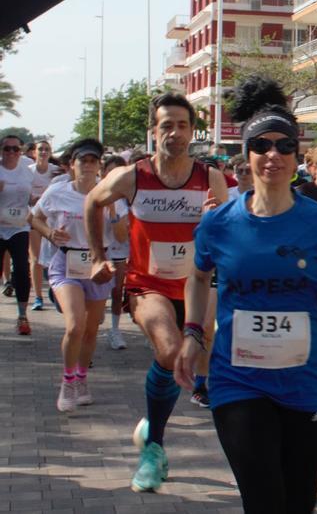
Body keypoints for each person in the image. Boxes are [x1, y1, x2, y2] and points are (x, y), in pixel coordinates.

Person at [175, 77, 317, 514]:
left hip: (305, 380)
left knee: (298, 504)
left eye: (285, 146)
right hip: (237, 379)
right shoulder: (219, 223)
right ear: (245, 156)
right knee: (264, 501)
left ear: (297, 156)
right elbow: (198, 276)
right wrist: (192, 333)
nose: (273, 155)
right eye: (261, 145)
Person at [84, 92, 229, 493]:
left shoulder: (209, 177)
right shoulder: (132, 176)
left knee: (197, 355)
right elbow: (93, 203)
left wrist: (214, 221)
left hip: (196, 284)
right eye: (166, 125)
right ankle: (153, 449)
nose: (175, 133)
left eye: (182, 125)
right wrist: (98, 257)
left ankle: (153, 418)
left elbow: (228, 228)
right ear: (154, 132)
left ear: (192, 131)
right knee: (168, 350)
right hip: (147, 285)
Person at [31, 139, 127, 412]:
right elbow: (33, 217)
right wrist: (49, 233)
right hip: (66, 262)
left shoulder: (111, 195)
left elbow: (122, 236)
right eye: (82, 161)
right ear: (71, 165)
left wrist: (112, 213)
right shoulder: (57, 192)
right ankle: (68, 380)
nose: (87, 166)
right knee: (75, 324)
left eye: (93, 161)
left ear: (99, 166)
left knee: (91, 329)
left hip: (98, 266)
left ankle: (82, 378)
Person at [0, 134, 37, 335]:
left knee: (22, 269)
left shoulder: (26, 172)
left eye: (16, 149)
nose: (12, 153)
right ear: (1, 151)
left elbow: (29, 198)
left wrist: (36, 200)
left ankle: (22, 316)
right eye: (8, 149)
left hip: (18, 227)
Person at [101, 155, 130, 351]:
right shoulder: (94, 193)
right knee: (96, 295)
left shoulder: (127, 199)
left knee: (117, 290)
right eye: (112, 172)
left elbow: (120, 236)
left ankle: (115, 329)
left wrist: (112, 213)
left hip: (119, 250)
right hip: (96, 251)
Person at [28, 139, 60, 311]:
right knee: (35, 259)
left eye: (47, 149)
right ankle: (38, 297)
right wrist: (31, 199)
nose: (43, 152)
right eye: (40, 149)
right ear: (34, 152)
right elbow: (21, 194)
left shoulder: (56, 172)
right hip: (33, 217)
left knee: (55, 258)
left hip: (52, 221)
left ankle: (56, 291)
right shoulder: (28, 172)